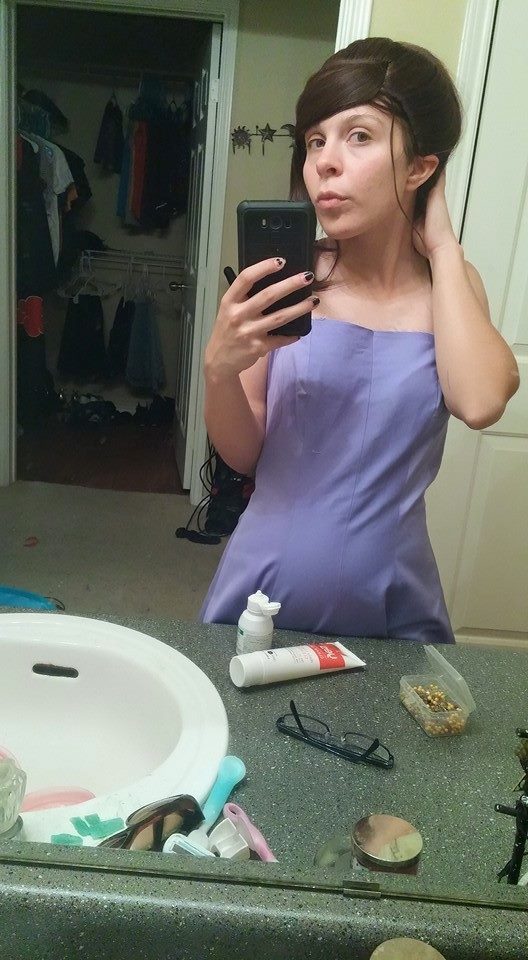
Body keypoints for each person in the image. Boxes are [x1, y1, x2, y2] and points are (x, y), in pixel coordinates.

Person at [199, 38, 519, 643]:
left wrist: (443, 248)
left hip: (396, 599)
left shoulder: (450, 286)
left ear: (420, 167)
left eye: (360, 136)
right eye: (315, 140)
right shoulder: (284, 280)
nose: (325, 162)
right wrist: (218, 371)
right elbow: (243, 454)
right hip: (265, 588)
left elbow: (479, 402)